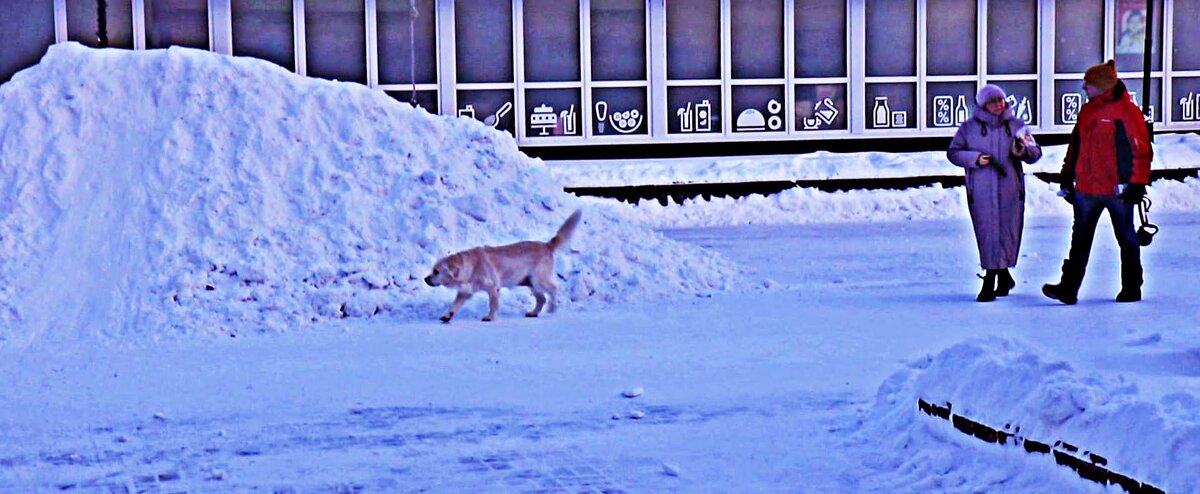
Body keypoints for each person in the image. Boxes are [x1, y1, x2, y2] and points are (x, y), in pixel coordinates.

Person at [1043, 60, 1152, 305]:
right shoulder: (1089, 109)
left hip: (1118, 190)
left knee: (1126, 237)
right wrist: (1066, 174)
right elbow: (1076, 145)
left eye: (1088, 84)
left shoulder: (1127, 112)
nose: (1084, 87)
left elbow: (1142, 150)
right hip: (1087, 188)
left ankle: (1132, 287)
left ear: (1101, 86)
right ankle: (1068, 288)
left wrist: (1137, 183)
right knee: (1079, 240)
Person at [948, 84, 1042, 302]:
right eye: (993, 102)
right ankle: (992, 278)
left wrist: (1024, 151)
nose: (999, 105)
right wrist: (975, 159)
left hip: (1010, 187)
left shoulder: (1017, 126)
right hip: (981, 188)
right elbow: (953, 152)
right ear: (983, 105)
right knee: (988, 230)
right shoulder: (969, 128)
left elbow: (1035, 153)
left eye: (1001, 101)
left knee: (1007, 231)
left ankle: (1001, 273)